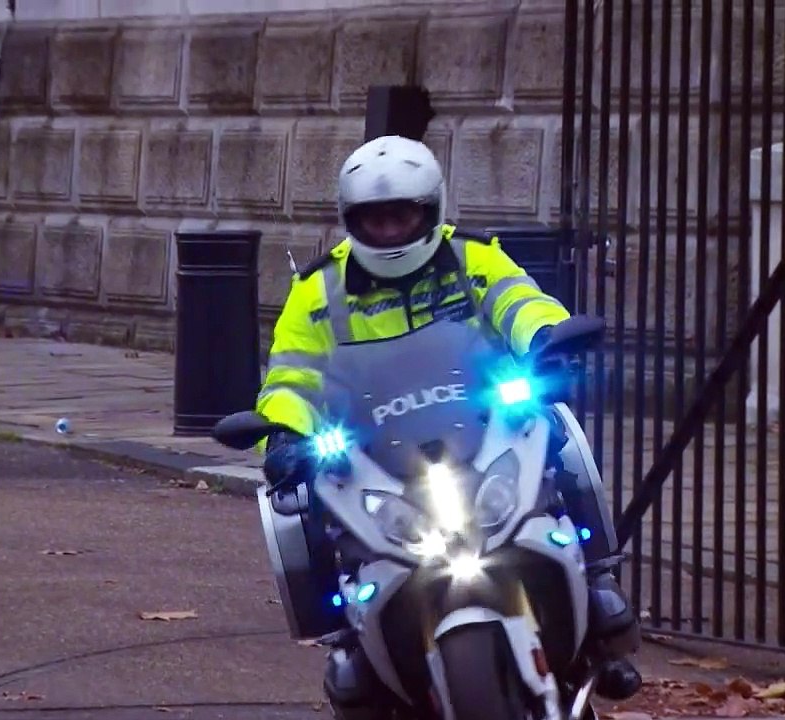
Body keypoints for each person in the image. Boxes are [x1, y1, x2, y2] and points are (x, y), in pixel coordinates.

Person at [255, 134, 642, 716]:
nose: (387, 231)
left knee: (561, 441)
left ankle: (598, 587)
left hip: (478, 429)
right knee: (298, 509)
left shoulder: (471, 258)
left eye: (400, 215)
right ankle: (346, 641)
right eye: (373, 219)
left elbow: (520, 301)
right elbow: (293, 376)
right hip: (377, 454)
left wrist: (545, 340)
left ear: (430, 210)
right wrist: (284, 433)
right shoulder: (317, 292)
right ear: (349, 220)